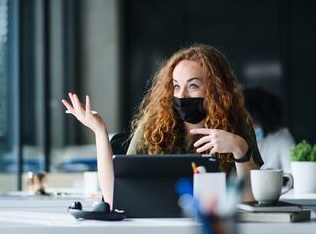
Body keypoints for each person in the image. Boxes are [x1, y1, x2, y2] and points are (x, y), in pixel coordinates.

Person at [62, 44, 263, 207]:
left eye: (193, 86)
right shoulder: (154, 125)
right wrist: (99, 131)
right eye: (176, 86)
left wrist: (239, 148)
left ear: (217, 90)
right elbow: (114, 196)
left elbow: (250, 199)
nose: (181, 95)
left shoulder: (237, 123)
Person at [243, 86, 294, 173]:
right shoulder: (240, 140)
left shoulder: (282, 137)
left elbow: (292, 174)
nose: (251, 128)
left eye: (254, 123)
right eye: (247, 124)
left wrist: (275, 175)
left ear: (265, 120)